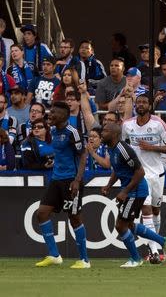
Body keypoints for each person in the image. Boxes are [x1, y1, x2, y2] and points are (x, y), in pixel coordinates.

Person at [101, 122, 166, 267]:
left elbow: (140, 172)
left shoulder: (123, 149)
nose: (102, 133)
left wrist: (125, 191)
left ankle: (136, 259)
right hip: (131, 190)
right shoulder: (112, 148)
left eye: (105, 130)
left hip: (135, 191)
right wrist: (109, 185)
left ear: (114, 134)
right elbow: (118, 169)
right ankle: (163, 241)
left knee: (120, 226)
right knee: (129, 225)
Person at [35, 101, 90, 268]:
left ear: (64, 116)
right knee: (42, 213)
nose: (50, 115)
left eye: (53, 113)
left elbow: (82, 156)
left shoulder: (73, 132)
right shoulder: (53, 131)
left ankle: (84, 260)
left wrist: (77, 181)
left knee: (74, 218)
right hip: (56, 180)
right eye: (50, 112)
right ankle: (54, 255)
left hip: (71, 180)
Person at [122, 94, 166, 263]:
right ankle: (154, 251)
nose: (141, 105)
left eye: (144, 102)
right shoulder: (127, 125)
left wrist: (151, 147)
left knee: (155, 211)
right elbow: (123, 146)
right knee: (145, 210)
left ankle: (157, 243)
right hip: (140, 175)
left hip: (157, 174)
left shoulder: (159, 124)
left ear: (150, 105)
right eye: (138, 102)